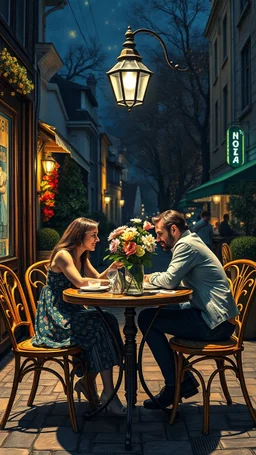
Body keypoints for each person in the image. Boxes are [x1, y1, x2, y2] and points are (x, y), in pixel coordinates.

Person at [138, 210, 238, 410]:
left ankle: (175, 385)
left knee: (147, 319)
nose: (158, 239)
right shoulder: (190, 241)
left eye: (160, 234)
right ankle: (182, 380)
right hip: (214, 317)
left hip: (215, 324)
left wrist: (147, 278)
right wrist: (155, 277)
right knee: (156, 312)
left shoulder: (186, 246)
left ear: (173, 229)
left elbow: (169, 281)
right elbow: (171, 278)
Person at [32, 217, 126, 414]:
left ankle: (89, 383)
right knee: (100, 324)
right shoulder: (64, 255)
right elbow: (81, 283)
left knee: (106, 319)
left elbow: (95, 279)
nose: (97, 240)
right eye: (93, 235)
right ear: (79, 235)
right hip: (57, 317)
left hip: (72, 311)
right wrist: (111, 284)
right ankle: (106, 391)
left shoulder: (81, 255)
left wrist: (110, 270)